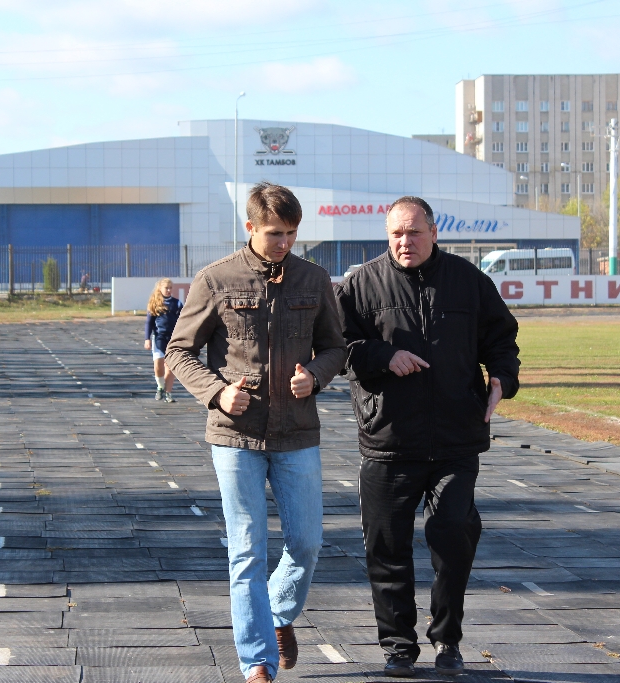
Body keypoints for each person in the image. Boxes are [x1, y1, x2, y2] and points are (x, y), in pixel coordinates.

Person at [166, 182, 346, 683]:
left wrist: (316, 376)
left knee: (307, 543)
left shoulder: (314, 279)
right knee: (246, 551)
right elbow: (179, 351)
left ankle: (278, 613)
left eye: (291, 233)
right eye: (274, 233)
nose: (284, 242)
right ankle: (257, 663)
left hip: (297, 434)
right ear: (250, 227)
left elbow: (337, 347)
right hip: (234, 436)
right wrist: (217, 393)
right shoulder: (215, 279)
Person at [335, 196, 520, 678]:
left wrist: (502, 378)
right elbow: (339, 348)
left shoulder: (469, 281)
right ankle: (398, 645)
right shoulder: (359, 285)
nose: (405, 242)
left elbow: (502, 339)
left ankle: (447, 638)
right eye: (396, 233)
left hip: (456, 439)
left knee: (453, 535)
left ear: (434, 233)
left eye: (414, 232)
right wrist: (383, 356)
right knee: (386, 548)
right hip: (388, 439)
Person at [144, 277, 183, 402]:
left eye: (170, 288)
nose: (169, 290)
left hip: (173, 338)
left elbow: (183, 320)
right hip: (159, 337)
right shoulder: (155, 303)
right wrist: (147, 339)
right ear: (160, 288)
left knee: (170, 366)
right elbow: (149, 323)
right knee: (158, 364)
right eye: (166, 288)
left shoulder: (177, 303)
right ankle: (160, 386)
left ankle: (168, 393)